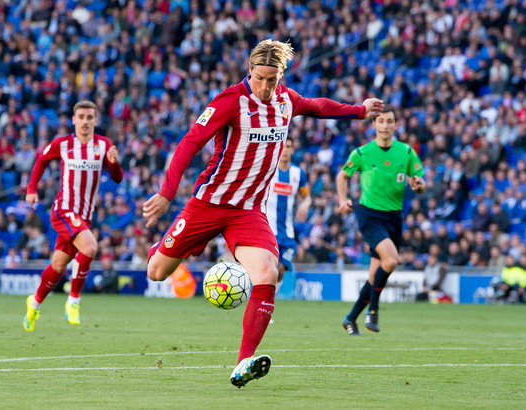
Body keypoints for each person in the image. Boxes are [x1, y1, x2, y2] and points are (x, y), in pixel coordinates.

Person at [143, 39, 383, 387]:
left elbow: (318, 105)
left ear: (281, 75)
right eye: (260, 78)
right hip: (208, 203)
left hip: (248, 211)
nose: (266, 86)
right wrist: (167, 191)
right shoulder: (230, 101)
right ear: (249, 72)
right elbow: (190, 142)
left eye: (273, 79)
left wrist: (358, 111)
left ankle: (243, 363)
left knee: (268, 273)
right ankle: (171, 247)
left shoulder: (287, 100)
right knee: (156, 272)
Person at [23, 100, 123, 331]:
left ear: (96, 120)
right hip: (63, 209)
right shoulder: (63, 144)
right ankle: (73, 301)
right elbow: (41, 160)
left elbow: (117, 178)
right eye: (81, 117)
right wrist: (31, 189)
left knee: (58, 265)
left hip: (84, 217)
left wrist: (115, 163)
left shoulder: (103, 144)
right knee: (90, 247)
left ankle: (34, 302)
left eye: (90, 117)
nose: (85, 121)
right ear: (74, 120)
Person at [337, 105, 425, 335]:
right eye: (381, 121)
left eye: (389, 121)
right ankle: (373, 311)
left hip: (394, 218)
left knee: (375, 274)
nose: (385, 125)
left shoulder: (406, 153)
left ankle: (350, 318)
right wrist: (342, 199)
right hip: (370, 215)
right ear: (374, 125)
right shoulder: (362, 153)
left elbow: (420, 182)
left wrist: (418, 185)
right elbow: (342, 175)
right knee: (392, 260)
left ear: (396, 125)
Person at [265, 137, 311, 299]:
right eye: (283, 146)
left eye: (289, 146)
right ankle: (264, 305)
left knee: (281, 271)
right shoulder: (269, 169)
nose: (285, 150)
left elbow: (307, 197)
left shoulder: (298, 173)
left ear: (293, 150)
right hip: (268, 230)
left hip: (288, 232)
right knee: (271, 269)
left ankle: (268, 301)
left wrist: (305, 204)